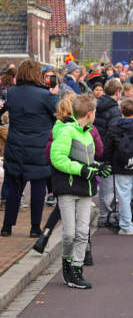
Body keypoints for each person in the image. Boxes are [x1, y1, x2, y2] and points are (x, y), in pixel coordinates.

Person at [49, 94, 110, 289]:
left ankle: (77, 269)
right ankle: (67, 263)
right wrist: (82, 170)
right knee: (69, 234)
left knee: (83, 232)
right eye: (95, 112)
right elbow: (57, 158)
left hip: (85, 188)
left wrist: (98, 167)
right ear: (90, 113)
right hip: (67, 188)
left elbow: (88, 160)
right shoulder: (67, 131)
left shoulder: (88, 133)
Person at [1, 60, 59, 237]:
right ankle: (35, 228)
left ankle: (7, 227)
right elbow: (58, 115)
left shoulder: (12, 93)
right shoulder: (46, 95)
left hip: (16, 145)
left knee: (14, 189)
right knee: (38, 189)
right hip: (39, 147)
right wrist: (54, 95)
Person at [104, 98, 133, 235]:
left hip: (121, 166)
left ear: (121, 111)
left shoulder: (114, 127)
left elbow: (108, 148)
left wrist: (108, 163)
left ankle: (126, 226)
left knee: (124, 197)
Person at [93, 79, 122, 226]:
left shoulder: (97, 104)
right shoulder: (114, 109)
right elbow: (114, 132)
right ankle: (108, 216)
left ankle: (103, 215)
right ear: (117, 92)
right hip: (108, 150)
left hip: (97, 147)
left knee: (104, 186)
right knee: (109, 186)